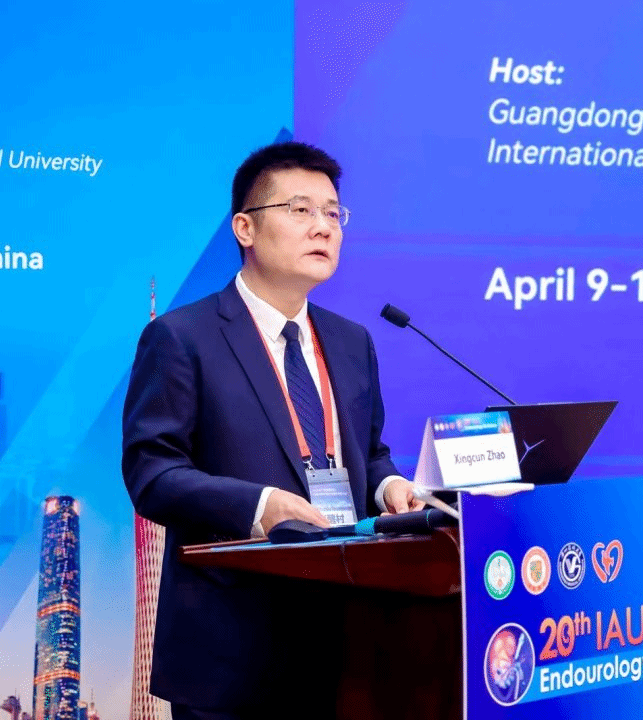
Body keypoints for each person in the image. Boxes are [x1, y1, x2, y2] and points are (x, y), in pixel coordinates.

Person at [122, 141, 422, 719]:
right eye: (300, 209)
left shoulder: (352, 341)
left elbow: (370, 452)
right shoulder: (182, 338)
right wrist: (260, 506)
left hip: (348, 641)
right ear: (245, 228)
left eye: (333, 213)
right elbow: (152, 474)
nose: (323, 227)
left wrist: (389, 486)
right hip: (232, 650)